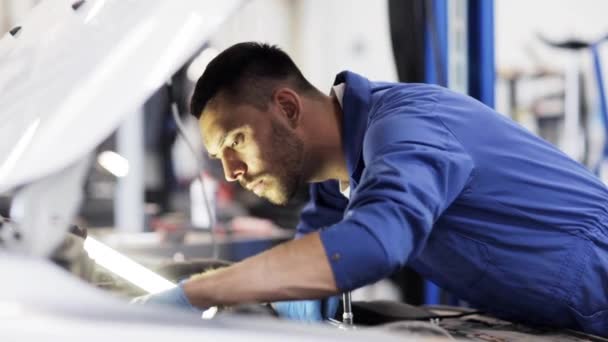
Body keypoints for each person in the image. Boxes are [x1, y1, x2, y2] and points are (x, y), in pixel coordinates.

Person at [137, 42, 608, 335]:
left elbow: (373, 243)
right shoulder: (335, 179)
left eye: (235, 141)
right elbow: (313, 266)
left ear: (287, 107)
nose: (231, 172)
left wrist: (199, 294)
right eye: (219, 157)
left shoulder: (406, 127)